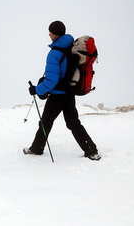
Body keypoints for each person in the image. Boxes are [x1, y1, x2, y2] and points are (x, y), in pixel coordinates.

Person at [24, 21, 101, 161]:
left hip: (57, 95)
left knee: (45, 123)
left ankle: (36, 149)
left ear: (55, 34)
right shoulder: (70, 47)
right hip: (69, 92)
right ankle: (91, 150)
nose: (49, 34)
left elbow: (51, 80)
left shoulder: (54, 53)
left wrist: (36, 89)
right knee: (73, 123)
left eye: (51, 32)